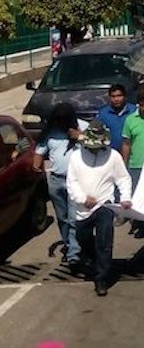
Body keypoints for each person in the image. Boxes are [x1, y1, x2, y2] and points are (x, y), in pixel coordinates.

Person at [66, 121, 132, 297]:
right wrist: (82, 198)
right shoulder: (75, 157)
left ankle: (101, 278)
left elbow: (123, 179)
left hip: (105, 204)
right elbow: (71, 182)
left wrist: (125, 197)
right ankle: (95, 262)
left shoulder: (114, 156)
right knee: (83, 239)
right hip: (82, 209)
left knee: (104, 242)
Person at [33, 103, 88, 267]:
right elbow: (39, 151)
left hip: (75, 180)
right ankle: (70, 245)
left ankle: (73, 255)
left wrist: (79, 136)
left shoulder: (83, 126)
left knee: (73, 218)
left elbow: (99, 144)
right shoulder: (50, 131)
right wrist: (36, 166)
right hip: (56, 180)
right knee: (62, 218)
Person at [96, 84, 136, 152]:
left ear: (125, 96)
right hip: (110, 153)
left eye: (119, 96)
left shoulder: (134, 111)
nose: (116, 99)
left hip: (131, 152)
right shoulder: (103, 113)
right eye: (113, 96)